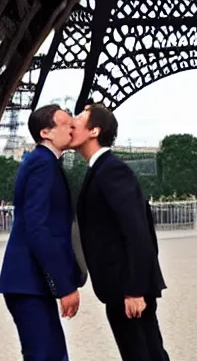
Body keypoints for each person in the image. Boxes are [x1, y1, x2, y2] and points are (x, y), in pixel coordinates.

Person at [70, 102, 170, 361]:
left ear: (94, 131)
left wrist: (135, 290)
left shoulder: (111, 170)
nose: (73, 122)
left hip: (127, 289)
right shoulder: (101, 170)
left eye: (79, 117)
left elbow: (137, 232)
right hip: (123, 287)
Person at [0, 104, 86, 361]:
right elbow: (39, 229)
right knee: (47, 355)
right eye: (66, 125)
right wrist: (64, 286)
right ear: (46, 132)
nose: (72, 128)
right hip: (29, 283)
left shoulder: (42, 161)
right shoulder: (43, 165)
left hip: (28, 282)